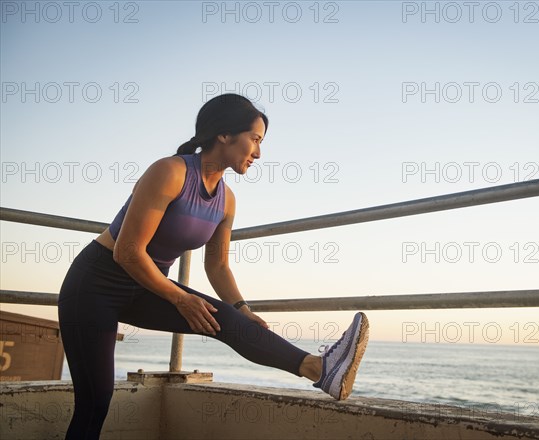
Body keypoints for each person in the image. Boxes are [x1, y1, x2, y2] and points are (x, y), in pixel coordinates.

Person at [57, 93, 370, 439]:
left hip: (146, 286)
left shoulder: (227, 200)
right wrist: (180, 298)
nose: (259, 153)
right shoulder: (171, 172)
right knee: (96, 400)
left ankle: (320, 370)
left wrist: (242, 309)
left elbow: (218, 265)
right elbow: (128, 252)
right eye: (255, 139)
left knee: (232, 323)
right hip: (95, 285)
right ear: (224, 134)